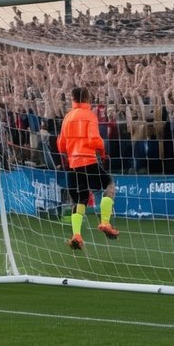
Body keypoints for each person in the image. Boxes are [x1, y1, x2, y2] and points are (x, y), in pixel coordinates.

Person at [56, 86, 118, 250]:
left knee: (80, 199)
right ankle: (105, 222)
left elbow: (61, 145)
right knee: (109, 186)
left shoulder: (68, 117)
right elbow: (94, 140)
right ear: (88, 99)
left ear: (73, 100)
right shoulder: (89, 115)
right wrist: (102, 150)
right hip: (88, 160)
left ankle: (76, 235)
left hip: (73, 165)